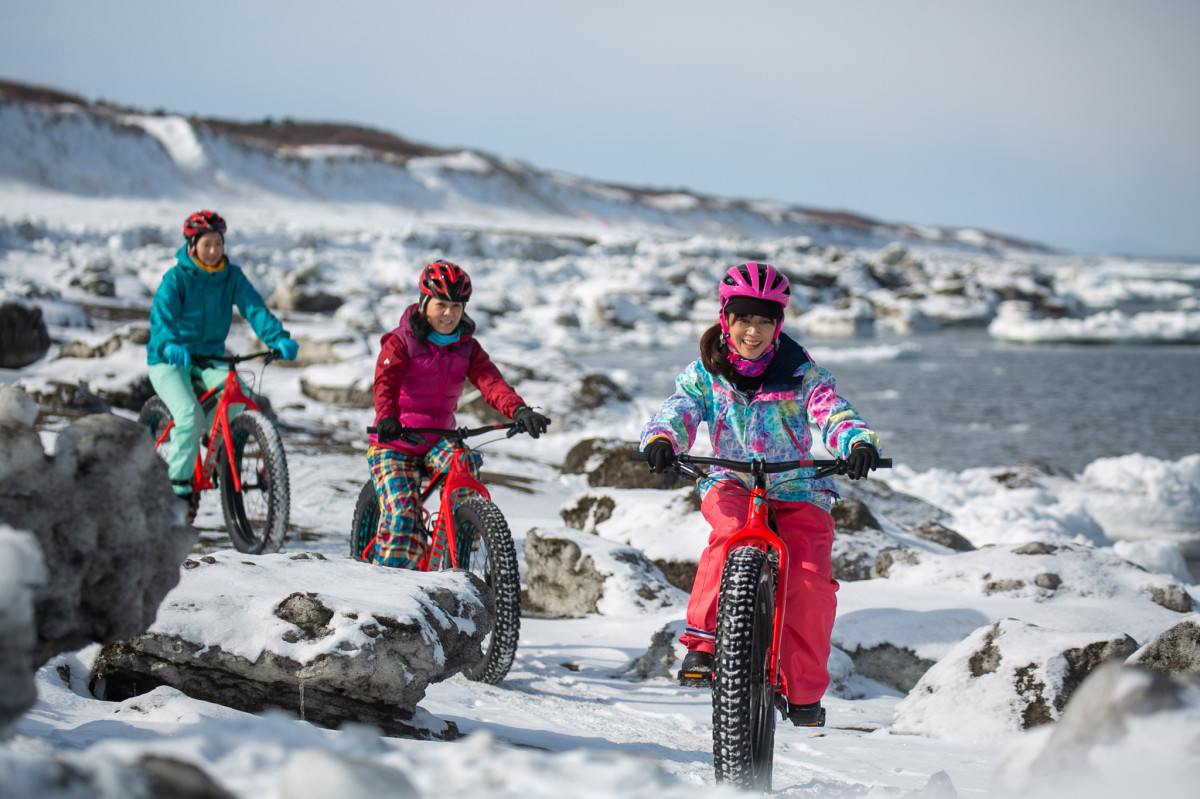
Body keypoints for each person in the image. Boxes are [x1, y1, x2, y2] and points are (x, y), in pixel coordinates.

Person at [639, 261, 881, 727]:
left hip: (795, 485)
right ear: (725, 317)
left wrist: (856, 442)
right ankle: (704, 646)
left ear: (779, 324)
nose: (754, 330)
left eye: (765, 320)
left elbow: (833, 410)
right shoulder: (704, 372)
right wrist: (664, 439)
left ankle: (803, 689)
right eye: (744, 318)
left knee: (810, 581)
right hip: (730, 480)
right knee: (728, 535)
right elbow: (681, 408)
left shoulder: (801, 372)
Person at [368, 260, 550, 569]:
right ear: (425, 302)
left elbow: (490, 382)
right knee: (400, 514)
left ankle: (458, 559)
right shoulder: (401, 342)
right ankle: (388, 587)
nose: (449, 314)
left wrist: (519, 409)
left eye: (457, 306)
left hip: (441, 439)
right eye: (441, 305)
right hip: (396, 441)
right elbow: (385, 382)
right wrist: (387, 417)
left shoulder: (467, 347)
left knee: (466, 477)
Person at [147, 210, 299, 521]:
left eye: (219, 244)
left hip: (210, 357)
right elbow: (160, 319)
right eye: (207, 245)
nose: (214, 251)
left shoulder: (232, 277)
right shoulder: (175, 279)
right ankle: (180, 493)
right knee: (188, 416)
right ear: (192, 246)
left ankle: (221, 454)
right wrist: (170, 344)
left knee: (238, 399)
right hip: (169, 358)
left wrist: (277, 337)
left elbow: (255, 309)